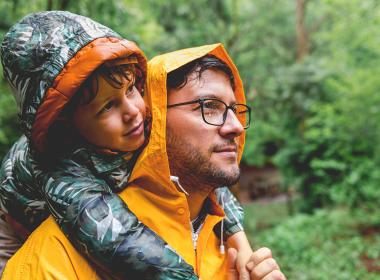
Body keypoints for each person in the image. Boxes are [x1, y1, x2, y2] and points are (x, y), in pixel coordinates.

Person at [2, 43, 286, 279]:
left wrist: (241, 245)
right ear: (158, 116)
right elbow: (112, 233)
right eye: (208, 107)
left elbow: (221, 199)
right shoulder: (57, 252)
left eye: (235, 110)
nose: (235, 125)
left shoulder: (226, 244)